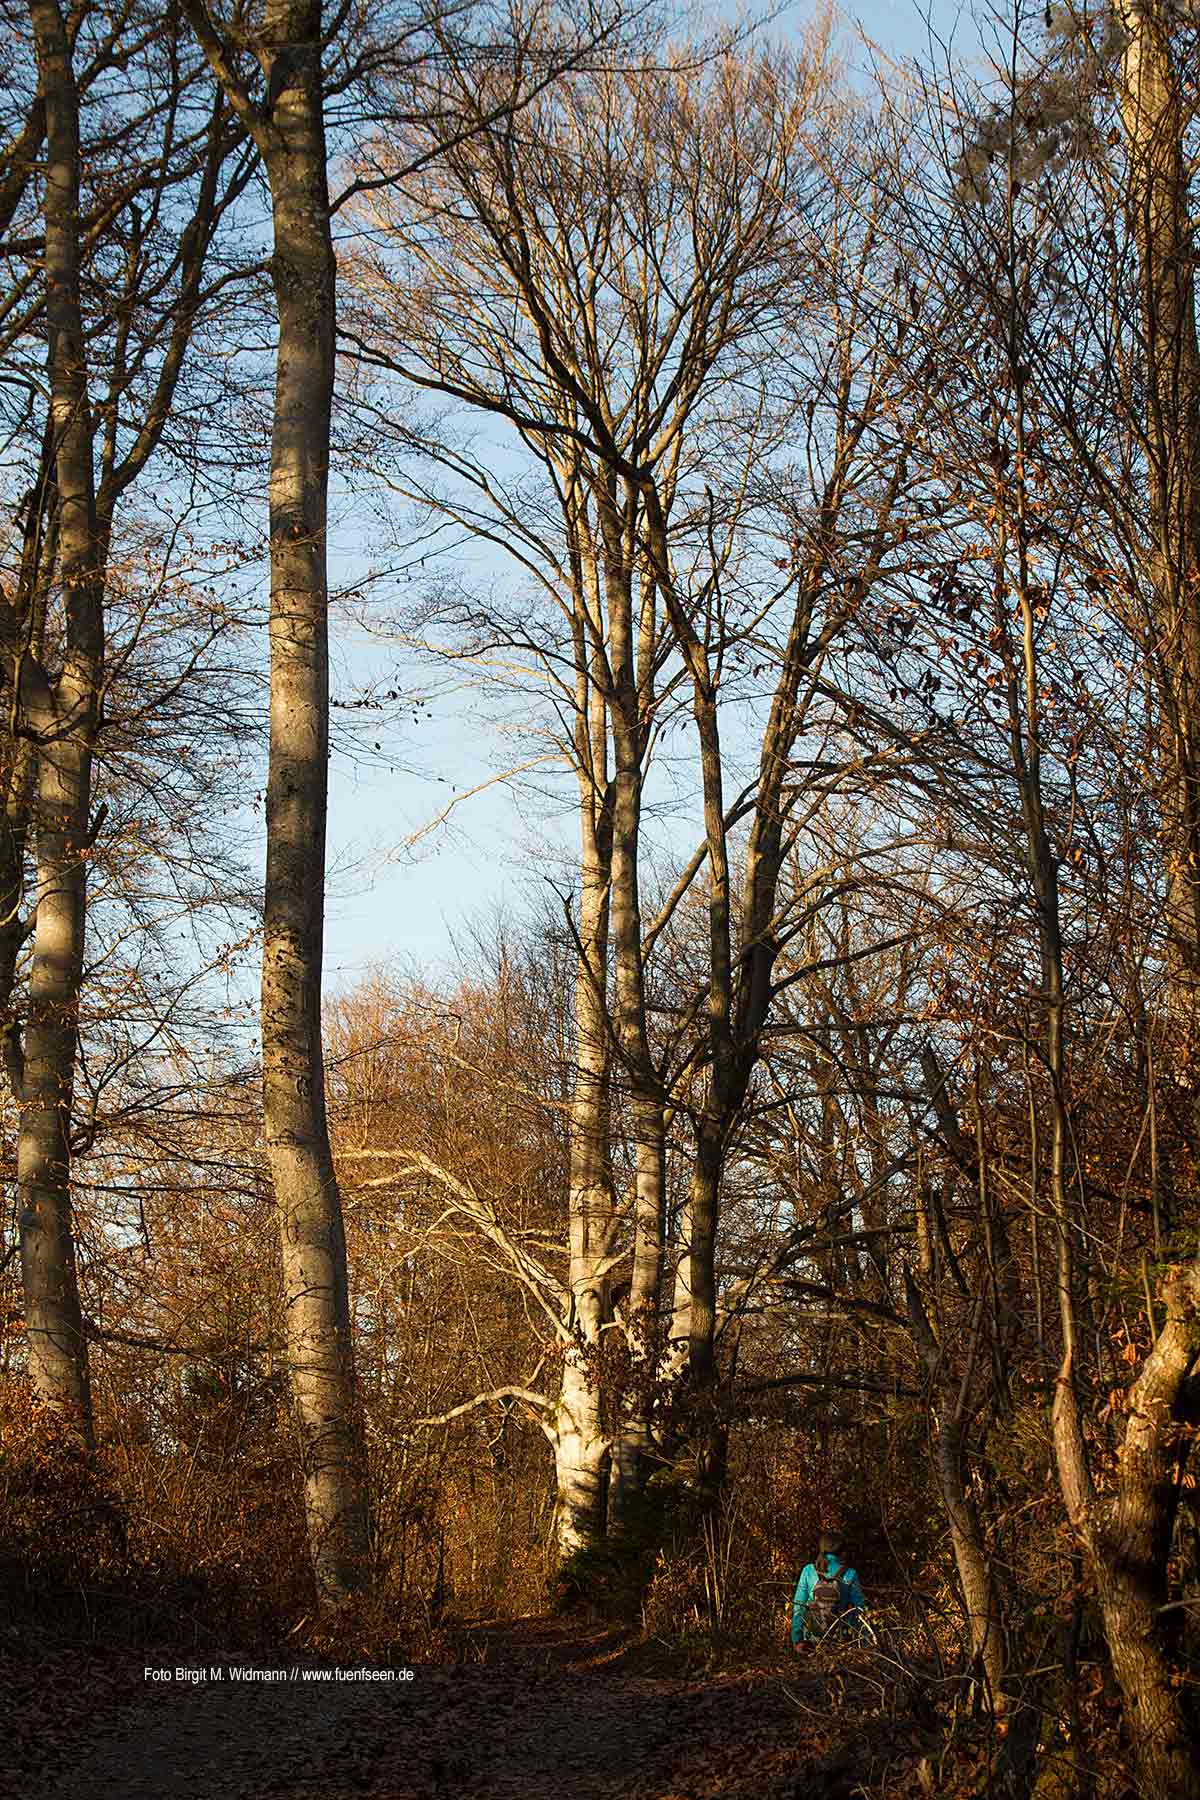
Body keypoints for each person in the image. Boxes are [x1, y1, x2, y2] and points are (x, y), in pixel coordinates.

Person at [791, 1528, 866, 1649]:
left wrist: (797, 1639)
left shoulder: (809, 1570)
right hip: (841, 1641)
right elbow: (859, 1610)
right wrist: (863, 1642)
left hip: (811, 1640)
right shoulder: (850, 1573)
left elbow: (798, 1606)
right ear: (842, 1550)